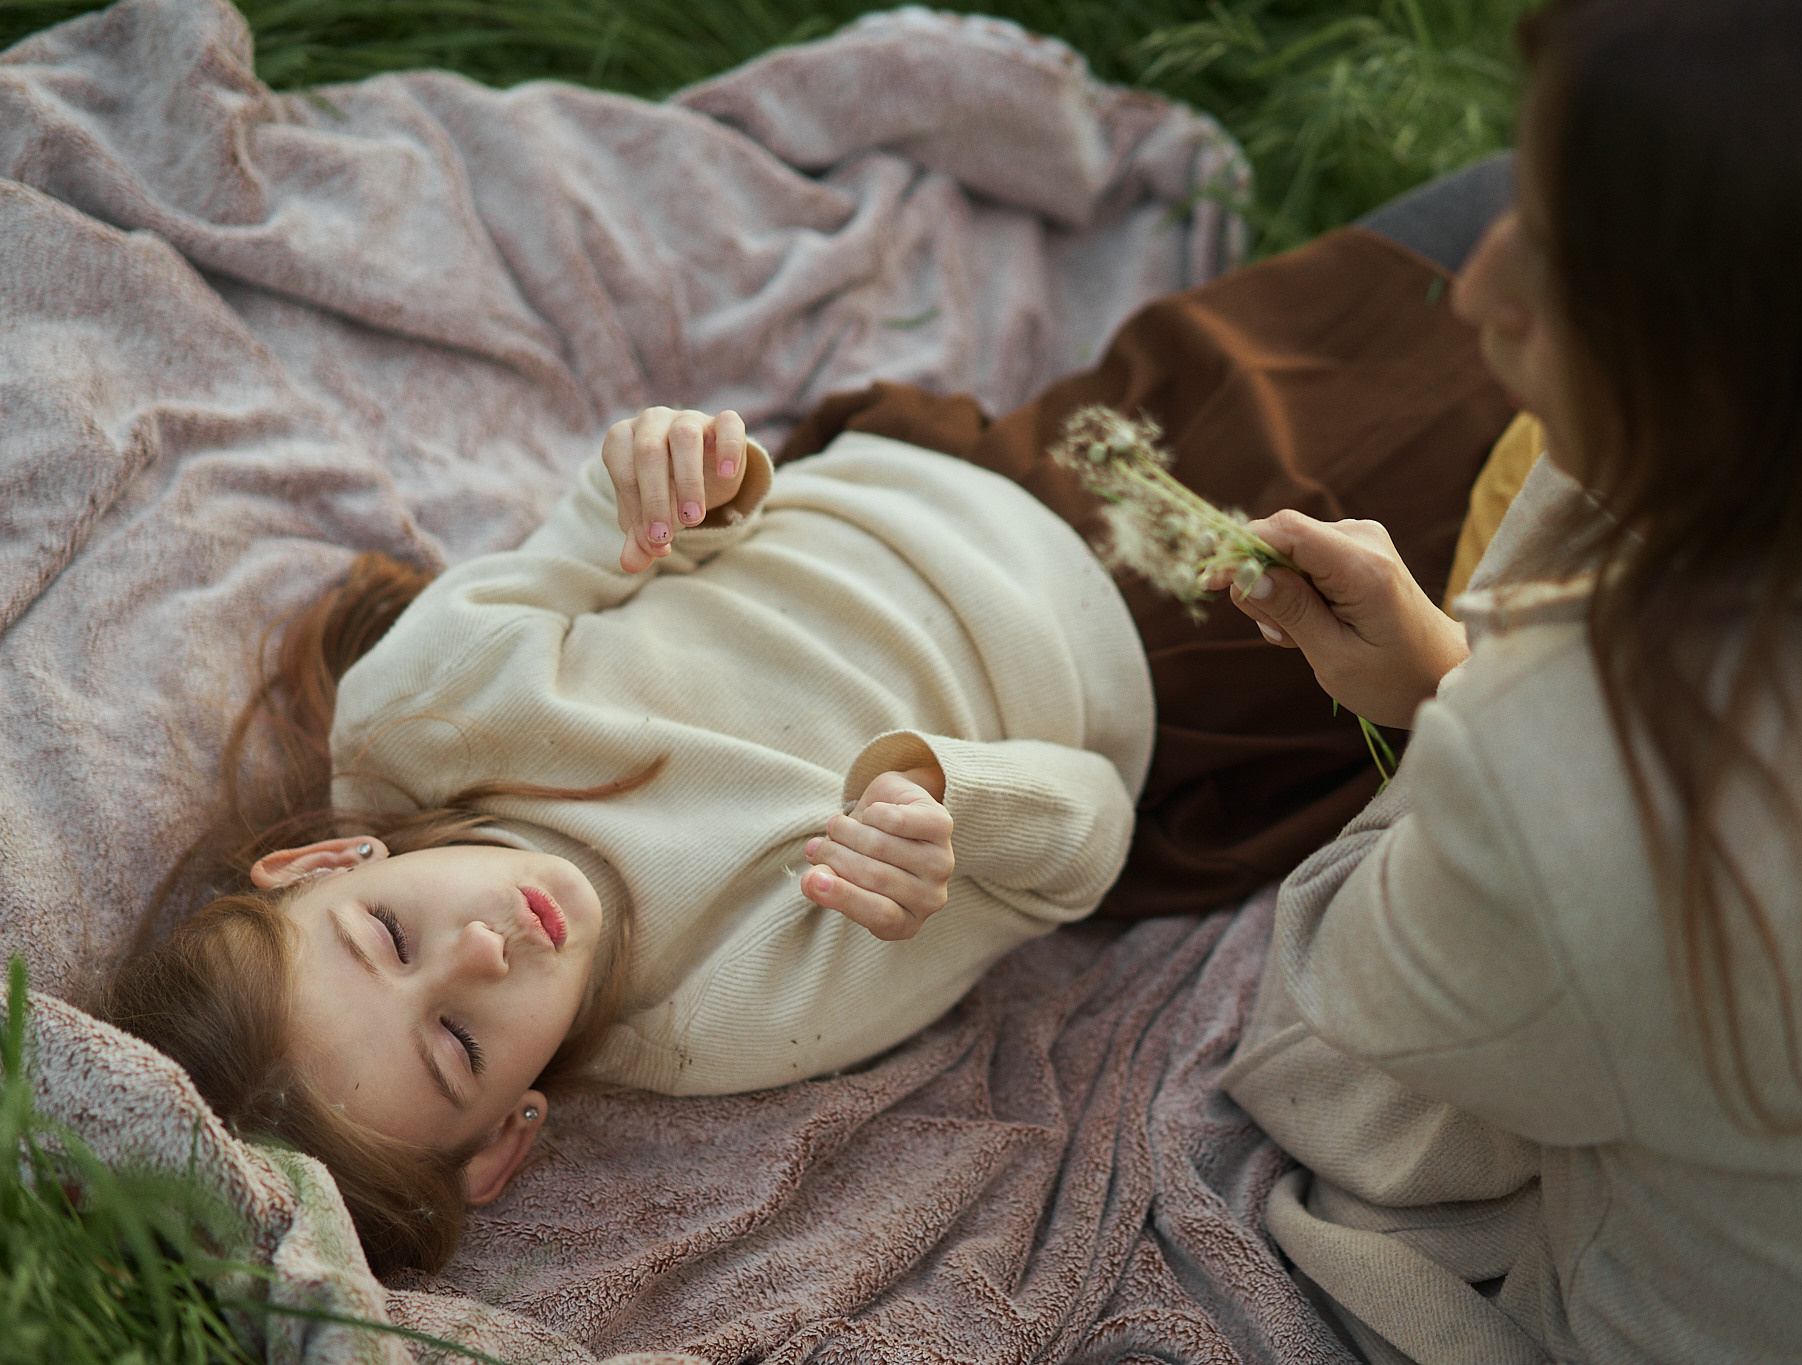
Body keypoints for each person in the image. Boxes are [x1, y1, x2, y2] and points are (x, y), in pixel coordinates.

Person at [93, 198, 1516, 1272]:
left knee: (1414, 274)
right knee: (1527, 409)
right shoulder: (721, 1008)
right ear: (512, 1131)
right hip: (1189, 637)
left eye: (392, 935)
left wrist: (682, 474)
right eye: (462, 1041)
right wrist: (947, 803)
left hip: (990, 459)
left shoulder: (420, 709)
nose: (485, 949)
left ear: (327, 857)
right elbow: (1082, 833)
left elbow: (613, 529)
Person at [1219, 0, 1802, 1361]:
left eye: (1557, 252)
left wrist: (1461, 702)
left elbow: (1324, 1041)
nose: (1479, 288)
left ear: (1737, 357)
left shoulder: (1581, 757)